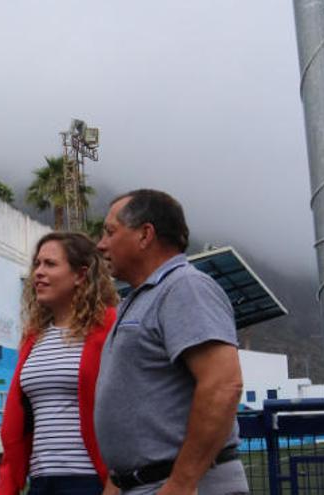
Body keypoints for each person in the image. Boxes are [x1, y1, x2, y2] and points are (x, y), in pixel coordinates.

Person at [94, 189, 248, 495]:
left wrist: (182, 482)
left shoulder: (185, 287)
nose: (101, 244)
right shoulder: (136, 300)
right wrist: (118, 480)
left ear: (144, 235)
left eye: (110, 232)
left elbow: (223, 385)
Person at [0, 232, 119, 495]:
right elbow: (18, 420)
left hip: (90, 482)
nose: (38, 272)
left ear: (80, 275)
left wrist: (115, 483)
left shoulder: (109, 327)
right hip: (41, 482)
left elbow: (129, 408)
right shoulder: (33, 337)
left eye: (50, 264)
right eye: (37, 264)